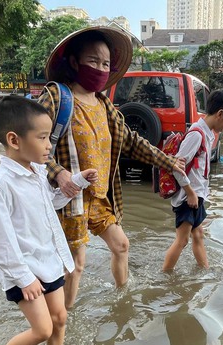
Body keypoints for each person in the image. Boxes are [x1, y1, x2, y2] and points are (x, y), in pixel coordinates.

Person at [38, 27, 185, 309]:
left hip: (100, 197)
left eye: (106, 64)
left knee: (121, 245)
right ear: (73, 62)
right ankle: (63, 319)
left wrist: (169, 162)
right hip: (70, 200)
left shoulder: (107, 107)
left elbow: (133, 142)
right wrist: (59, 173)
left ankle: (123, 302)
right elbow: (27, 142)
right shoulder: (58, 97)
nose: (100, 69)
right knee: (76, 264)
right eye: (93, 61)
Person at [0, 96, 98, 345]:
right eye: (42, 137)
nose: (48, 146)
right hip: (24, 269)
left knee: (60, 317)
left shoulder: (37, 173)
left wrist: (77, 181)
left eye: (49, 137)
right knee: (42, 329)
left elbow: (50, 205)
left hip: (47, 261)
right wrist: (23, 278)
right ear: (14, 140)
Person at [163, 90, 223, 271]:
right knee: (182, 241)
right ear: (220, 114)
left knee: (198, 235)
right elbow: (177, 167)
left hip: (197, 197)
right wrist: (190, 193)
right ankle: (165, 276)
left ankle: (205, 270)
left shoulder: (208, 134)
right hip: (188, 198)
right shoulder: (196, 134)